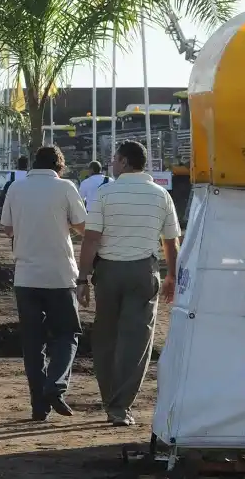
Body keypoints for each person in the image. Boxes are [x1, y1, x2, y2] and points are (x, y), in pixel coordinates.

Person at [77, 140, 180, 427]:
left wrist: (82, 279)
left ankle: (110, 397)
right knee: (136, 342)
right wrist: (172, 275)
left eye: (114, 159)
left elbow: (91, 239)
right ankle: (120, 407)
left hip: (108, 273)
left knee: (106, 338)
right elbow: (170, 241)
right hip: (142, 274)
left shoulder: (104, 194)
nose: (112, 163)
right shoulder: (161, 195)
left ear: (123, 162)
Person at [1, 146, 86, 421]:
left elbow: (7, 228)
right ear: (59, 167)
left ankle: (39, 406)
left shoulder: (16, 188)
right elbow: (82, 226)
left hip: (26, 277)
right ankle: (56, 386)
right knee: (67, 334)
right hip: (60, 276)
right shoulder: (65, 188)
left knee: (33, 343)